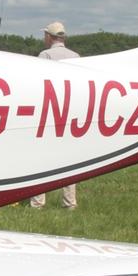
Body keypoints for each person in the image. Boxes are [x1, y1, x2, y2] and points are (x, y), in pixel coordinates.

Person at [31, 20, 80, 210]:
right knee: (69, 160)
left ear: (50, 37)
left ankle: (37, 202)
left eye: (45, 35)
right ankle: (70, 203)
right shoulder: (75, 56)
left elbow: (40, 83)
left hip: (50, 112)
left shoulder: (46, 55)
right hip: (71, 113)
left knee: (40, 158)